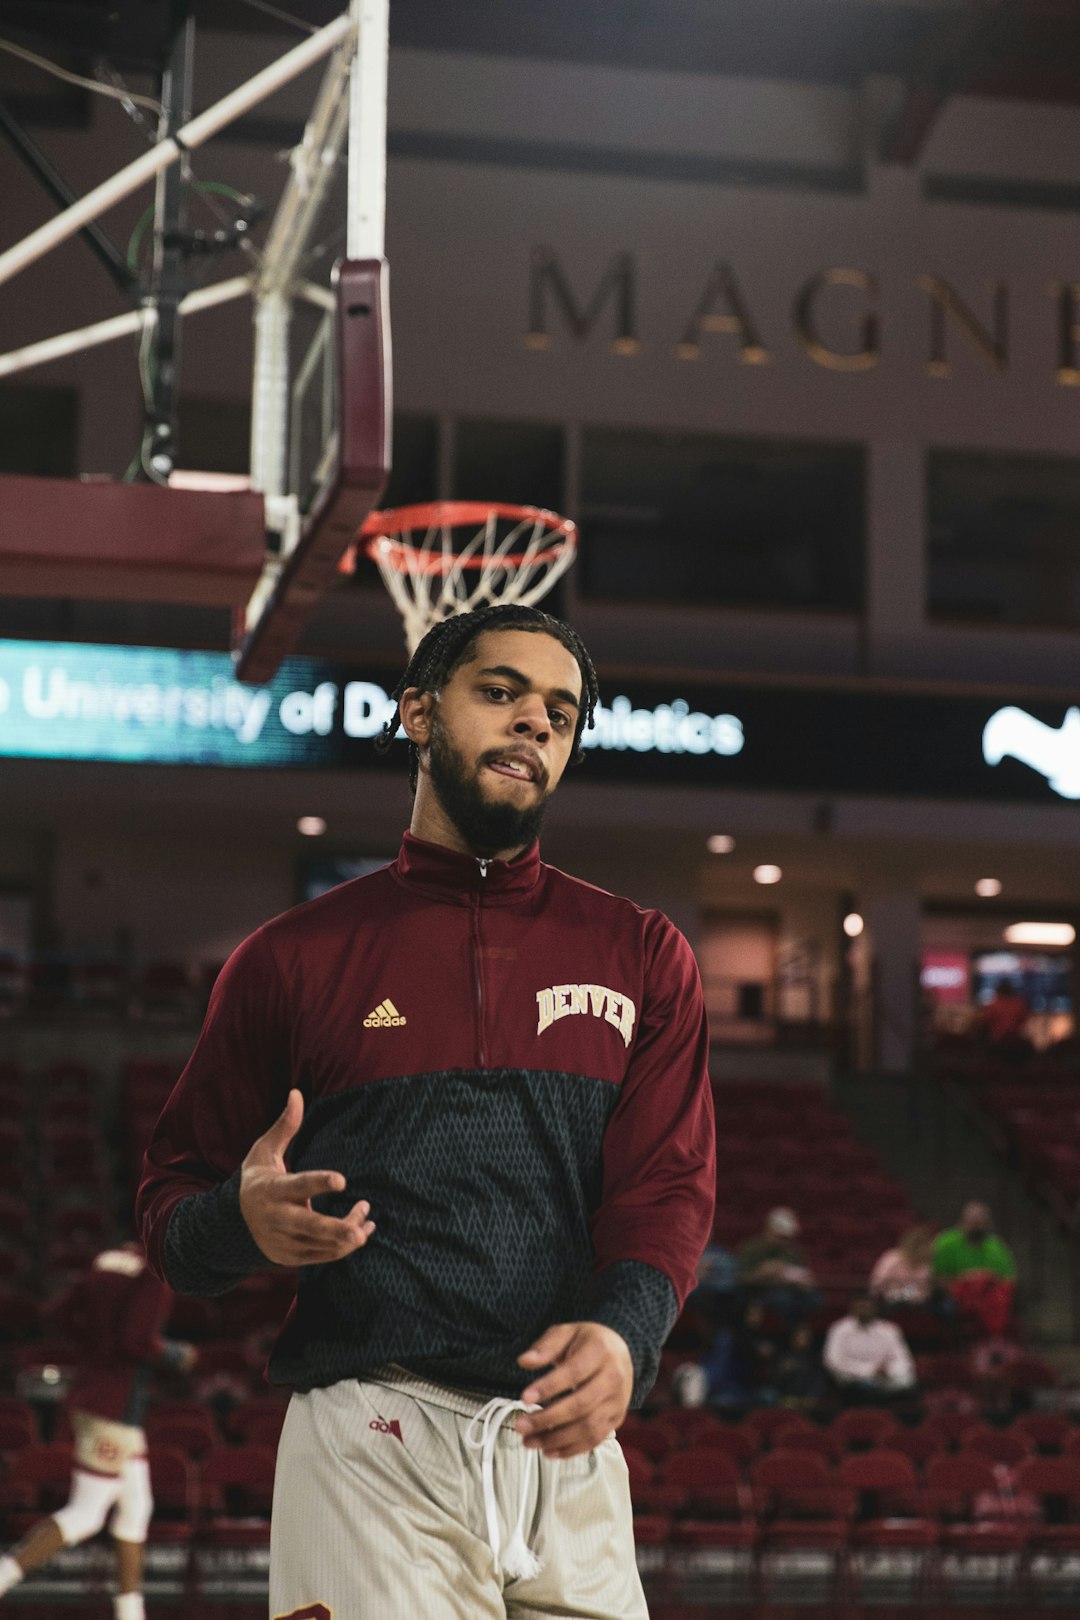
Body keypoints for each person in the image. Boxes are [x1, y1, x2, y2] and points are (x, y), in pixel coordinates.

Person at [136, 603, 716, 1620]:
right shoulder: (289, 961)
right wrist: (239, 1219)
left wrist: (625, 1337)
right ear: (416, 712)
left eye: (561, 712)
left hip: (566, 1443)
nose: (535, 722)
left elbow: (664, 1189)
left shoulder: (643, 952)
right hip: (373, 1435)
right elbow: (170, 1214)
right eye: (500, 692)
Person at [0, 1242, 195, 1620]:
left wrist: (95, 1345)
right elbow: (137, 1341)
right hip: (115, 1404)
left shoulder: (107, 1259)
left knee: (137, 1508)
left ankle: (130, 1612)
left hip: (92, 1393)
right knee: (87, 1512)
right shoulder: (155, 1271)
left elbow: (55, 1313)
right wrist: (177, 1356)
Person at [932, 1201, 1017, 1338]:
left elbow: (1009, 1281)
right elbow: (936, 1279)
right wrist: (966, 1282)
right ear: (962, 1222)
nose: (977, 1226)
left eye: (981, 1222)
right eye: (973, 1222)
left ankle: (994, 1345)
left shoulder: (996, 1247)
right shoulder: (946, 1242)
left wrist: (983, 1282)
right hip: (952, 1297)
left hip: (987, 1299)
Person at [823, 1294, 916, 1405]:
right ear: (852, 1308)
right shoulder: (839, 1329)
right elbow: (833, 1362)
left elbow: (904, 1360)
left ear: (875, 1308)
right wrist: (870, 1370)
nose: (864, 1310)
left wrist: (888, 1370)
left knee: (909, 1384)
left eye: (867, 1306)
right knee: (857, 1390)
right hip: (853, 1381)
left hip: (885, 1381)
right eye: (860, 1306)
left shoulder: (889, 1330)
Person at [737, 1207, 820, 1321]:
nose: (783, 1241)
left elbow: (804, 1275)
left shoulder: (792, 1251)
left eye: (786, 1238)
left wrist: (804, 1282)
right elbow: (740, 1279)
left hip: (790, 1291)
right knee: (783, 1300)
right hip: (759, 1293)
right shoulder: (751, 1248)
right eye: (780, 1236)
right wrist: (762, 1273)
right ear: (769, 1230)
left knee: (814, 1299)